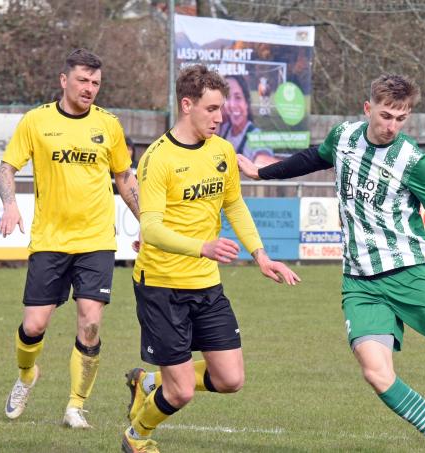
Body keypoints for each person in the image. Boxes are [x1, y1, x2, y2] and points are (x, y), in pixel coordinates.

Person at [236, 74, 425, 443]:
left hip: (409, 271)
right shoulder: (343, 138)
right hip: (360, 282)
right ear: (368, 108)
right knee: (376, 373)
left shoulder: (413, 160)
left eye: (401, 119)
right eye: (386, 116)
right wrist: (261, 171)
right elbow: (312, 158)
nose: (392, 126)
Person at [120, 64, 300, 453]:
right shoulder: (158, 158)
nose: (221, 117)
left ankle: (148, 383)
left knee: (231, 379)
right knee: (182, 392)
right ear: (187, 105)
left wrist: (261, 256)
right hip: (162, 286)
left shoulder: (222, 151)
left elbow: (234, 205)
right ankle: (137, 436)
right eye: (212, 109)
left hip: (206, 285)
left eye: (222, 109)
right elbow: (150, 229)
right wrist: (201, 247)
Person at [0, 48, 140, 428]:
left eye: (95, 82)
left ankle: (75, 406)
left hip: (96, 240)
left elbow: (125, 178)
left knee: (90, 322)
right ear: (64, 80)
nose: (89, 88)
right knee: (34, 326)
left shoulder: (108, 125)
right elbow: (7, 168)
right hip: (50, 240)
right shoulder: (36, 121)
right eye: (82, 80)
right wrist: (10, 205)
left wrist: (146, 221)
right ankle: (27, 375)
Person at [218, 75, 279, 168]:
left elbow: (262, 157)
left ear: (246, 102)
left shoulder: (256, 136)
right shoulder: (225, 128)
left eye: (238, 97)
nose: (232, 105)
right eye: (227, 98)